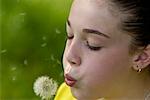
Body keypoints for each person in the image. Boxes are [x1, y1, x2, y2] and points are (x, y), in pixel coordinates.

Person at [54, 0, 150, 99]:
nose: (69, 56)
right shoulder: (66, 94)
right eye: (70, 35)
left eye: (92, 45)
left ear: (141, 57)